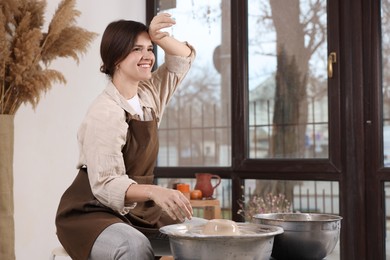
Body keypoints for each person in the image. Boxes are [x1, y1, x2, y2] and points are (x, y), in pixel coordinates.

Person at [55, 13, 198, 260]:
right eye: (136, 49)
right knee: (133, 246)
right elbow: (107, 183)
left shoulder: (149, 95)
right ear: (116, 58)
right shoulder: (104, 112)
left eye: (149, 49)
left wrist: (159, 36)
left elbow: (182, 58)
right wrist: (155, 192)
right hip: (93, 211)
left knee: (201, 234)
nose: (148, 56)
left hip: (139, 210)